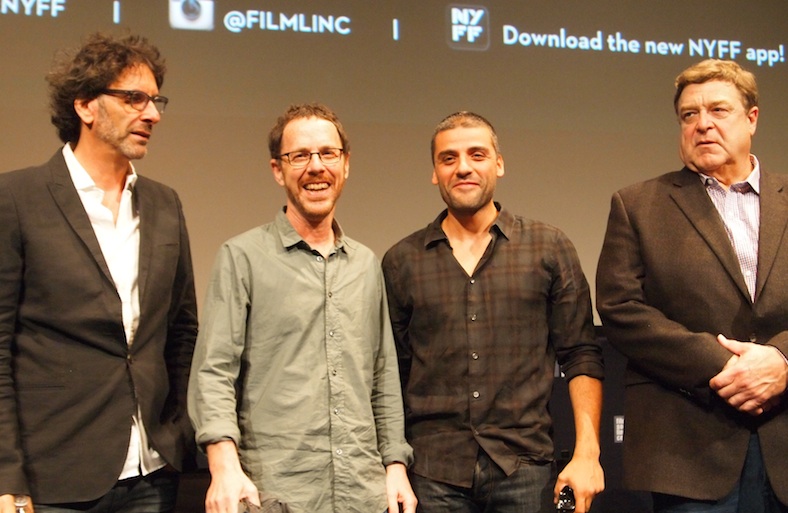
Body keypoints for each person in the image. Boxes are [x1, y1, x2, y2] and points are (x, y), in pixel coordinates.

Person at [0, 33, 198, 513]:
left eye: (155, 101)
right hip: (54, 480)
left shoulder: (164, 203)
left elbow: (182, 329)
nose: (152, 114)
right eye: (134, 98)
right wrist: (8, 474)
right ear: (86, 106)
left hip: (152, 475)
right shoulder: (17, 199)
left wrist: (174, 433)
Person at [187, 103, 416, 513]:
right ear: (278, 170)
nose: (316, 167)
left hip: (362, 495)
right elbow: (215, 371)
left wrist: (395, 465)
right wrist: (223, 467)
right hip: (275, 495)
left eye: (328, 153)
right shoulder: (241, 257)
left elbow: (383, 375)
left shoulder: (365, 264)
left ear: (345, 165)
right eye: (300, 156)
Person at [382, 111, 605, 512]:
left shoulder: (549, 248)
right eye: (448, 158)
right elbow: (392, 375)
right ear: (435, 172)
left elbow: (580, 354)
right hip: (433, 475)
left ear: (499, 164)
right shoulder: (402, 261)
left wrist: (588, 454)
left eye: (477, 155)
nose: (463, 167)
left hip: (524, 470)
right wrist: (393, 463)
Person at [596, 59, 788, 512]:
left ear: (752, 118)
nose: (703, 125)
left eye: (718, 110)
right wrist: (727, 366)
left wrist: (781, 359)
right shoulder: (638, 204)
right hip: (687, 444)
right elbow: (622, 309)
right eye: (689, 115)